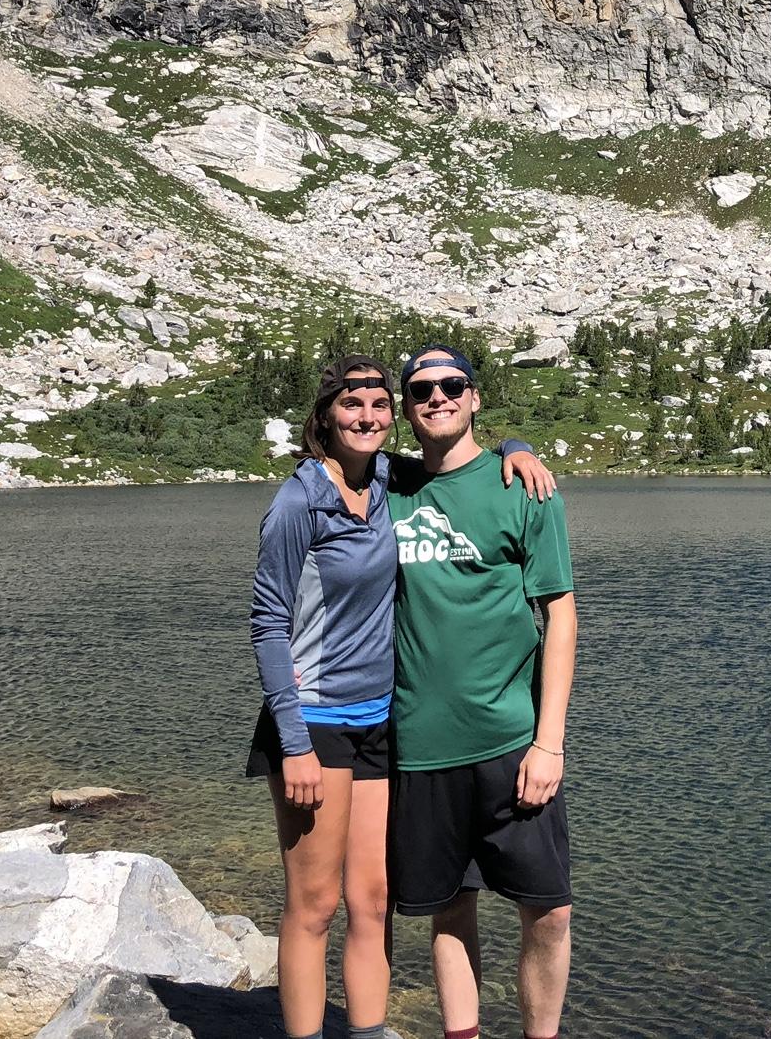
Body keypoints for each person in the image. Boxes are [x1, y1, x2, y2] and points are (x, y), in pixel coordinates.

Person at [248, 354, 555, 1039]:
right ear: (326, 416)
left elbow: (460, 460)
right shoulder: (301, 500)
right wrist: (292, 742)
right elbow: (268, 622)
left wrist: (517, 447)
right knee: (314, 904)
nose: (368, 418)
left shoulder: (390, 479)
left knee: (374, 899)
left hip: (380, 722)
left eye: (381, 406)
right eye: (353, 406)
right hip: (315, 722)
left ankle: (369, 1031)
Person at [387, 345, 577, 1039]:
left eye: (451, 385)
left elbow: (560, 614)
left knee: (549, 912)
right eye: (420, 390)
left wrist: (548, 742)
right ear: (407, 409)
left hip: (511, 741)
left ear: (473, 398)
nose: (436, 397)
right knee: (449, 907)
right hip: (421, 746)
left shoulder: (521, 487)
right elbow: (328, 446)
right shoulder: (390, 486)